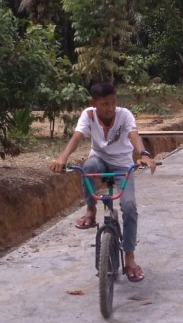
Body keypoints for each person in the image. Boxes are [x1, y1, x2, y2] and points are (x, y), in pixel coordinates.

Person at [49, 82, 157, 282]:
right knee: (88, 166)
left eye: (113, 103)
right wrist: (62, 158)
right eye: (105, 104)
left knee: (129, 206)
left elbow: (134, 136)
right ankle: (91, 211)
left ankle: (130, 257)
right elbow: (77, 137)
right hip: (99, 161)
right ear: (94, 103)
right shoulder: (88, 115)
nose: (110, 108)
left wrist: (143, 154)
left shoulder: (124, 115)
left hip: (122, 165)